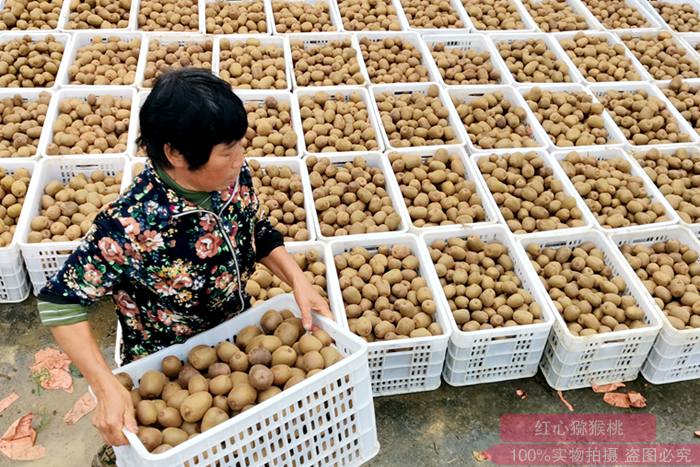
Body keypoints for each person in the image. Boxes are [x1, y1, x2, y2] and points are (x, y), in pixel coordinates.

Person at [36, 68, 332, 459]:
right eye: (227, 151)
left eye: (240, 144)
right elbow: (60, 302)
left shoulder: (232, 177)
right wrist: (105, 384)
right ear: (175, 153)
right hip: (165, 361)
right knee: (153, 434)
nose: (241, 158)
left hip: (233, 340)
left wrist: (297, 279)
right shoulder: (131, 224)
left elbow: (256, 228)